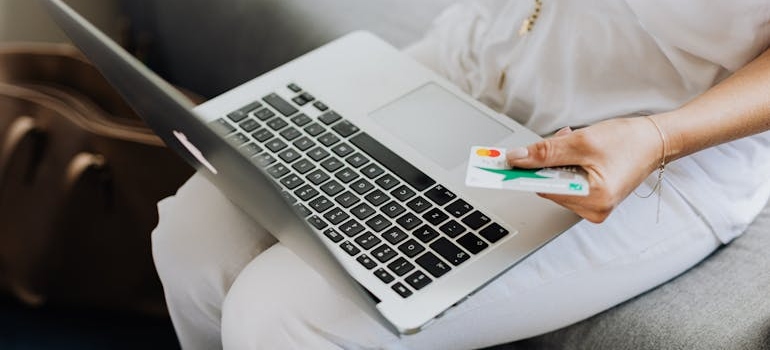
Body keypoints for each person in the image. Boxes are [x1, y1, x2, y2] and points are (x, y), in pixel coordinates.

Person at [152, 1, 770, 349]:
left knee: (278, 319)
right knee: (192, 239)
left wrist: (662, 136)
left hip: (643, 141)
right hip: (475, 54)